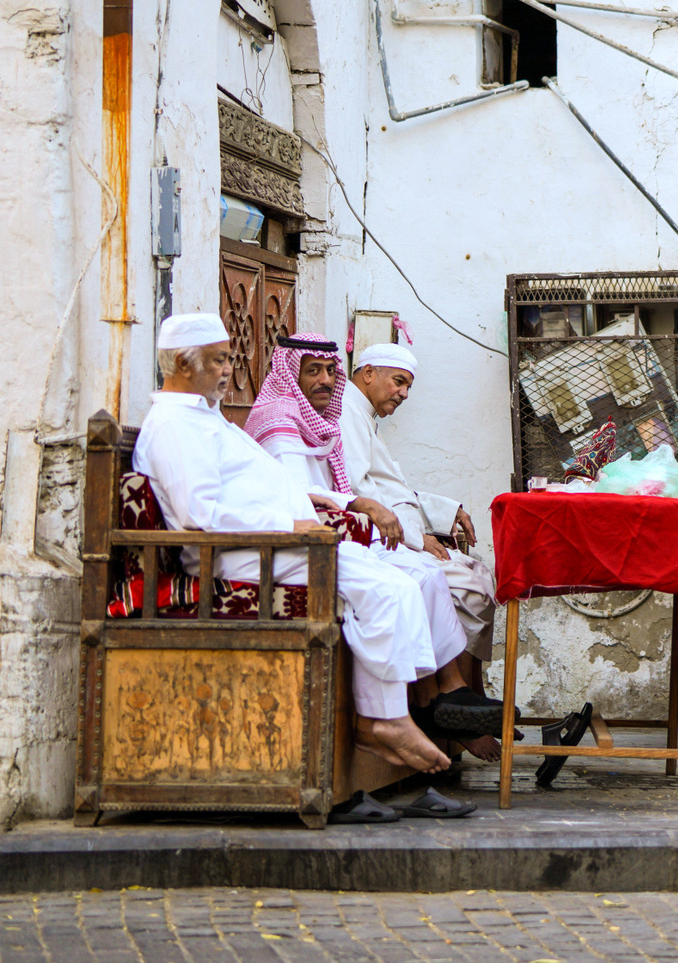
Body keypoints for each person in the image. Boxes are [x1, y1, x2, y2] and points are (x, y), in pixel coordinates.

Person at [133, 315, 502, 777]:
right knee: (386, 586)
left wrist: (308, 503)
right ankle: (385, 719)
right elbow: (198, 515)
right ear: (185, 365)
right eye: (219, 359)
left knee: (401, 582)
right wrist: (291, 522)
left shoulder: (204, 420)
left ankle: (393, 715)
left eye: (228, 358)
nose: (229, 369)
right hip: (243, 552)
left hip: (279, 541)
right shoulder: (175, 426)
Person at [244, 333, 503, 757]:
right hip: (296, 543)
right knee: (417, 581)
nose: (327, 381)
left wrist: (427, 519)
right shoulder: (284, 417)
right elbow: (308, 496)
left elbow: (371, 485)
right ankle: (411, 710)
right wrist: (402, 530)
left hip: (339, 530)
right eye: (314, 371)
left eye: (330, 371)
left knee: (432, 577)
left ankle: (451, 695)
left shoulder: (321, 416)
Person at [340, 343, 499, 671]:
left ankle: (469, 693)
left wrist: (446, 510)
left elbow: (391, 487)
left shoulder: (364, 415)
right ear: (368, 373)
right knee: (471, 589)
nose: (404, 394)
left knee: (480, 575)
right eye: (399, 382)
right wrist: (417, 538)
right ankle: (455, 693)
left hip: (400, 532)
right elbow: (360, 493)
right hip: (382, 541)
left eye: (408, 386)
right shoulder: (347, 412)